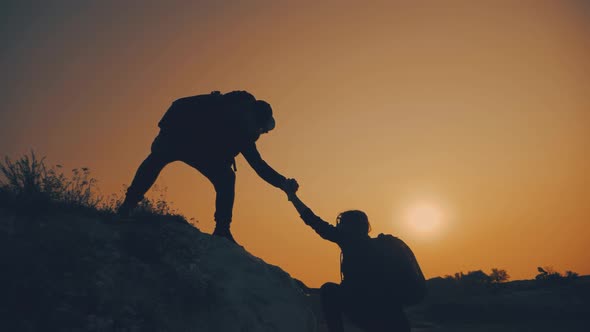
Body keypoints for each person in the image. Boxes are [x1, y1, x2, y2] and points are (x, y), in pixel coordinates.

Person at [118, 90, 298, 243]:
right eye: (262, 129)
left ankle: (128, 206)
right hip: (182, 133)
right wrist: (283, 183)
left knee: (158, 161)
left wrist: (283, 183)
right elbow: (259, 166)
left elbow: (259, 166)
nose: (261, 133)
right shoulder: (238, 123)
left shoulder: (238, 118)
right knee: (223, 177)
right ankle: (221, 230)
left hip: (188, 139)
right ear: (256, 121)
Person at [286, 189, 424, 332]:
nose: (338, 227)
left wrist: (293, 197)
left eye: (342, 225)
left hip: (373, 315)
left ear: (350, 228)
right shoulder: (382, 248)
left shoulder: (352, 243)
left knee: (329, 289)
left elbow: (315, 222)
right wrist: (311, 290)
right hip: (396, 318)